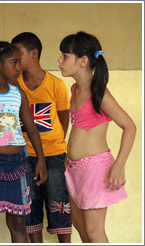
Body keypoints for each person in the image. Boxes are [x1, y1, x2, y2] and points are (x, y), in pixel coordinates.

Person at [58, 31, 136, 243]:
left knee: (94, 232)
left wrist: (119, 165)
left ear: (83, 61)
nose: (59, 61)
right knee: (79, 225)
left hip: (95, 170)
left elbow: (129, 126)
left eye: (65, 56)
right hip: (74, 168)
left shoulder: (98, 93)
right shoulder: (75, 88)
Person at [0, 41, 47, 243]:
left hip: (18, 163)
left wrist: (41, 160)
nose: (19, 68)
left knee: (19, 225)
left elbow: (31, 127)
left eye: (19, 63)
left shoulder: (18, 93)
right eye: (14, 63)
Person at [11, 32, 72, 243]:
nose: (14, 59)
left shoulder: (56, 85)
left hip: (55, 156)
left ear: (34, 53)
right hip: (24, 157)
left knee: (60, 206)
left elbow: (64, 120)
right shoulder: (14, 86)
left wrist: (51, 147)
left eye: (18, 53)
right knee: (30, 207)